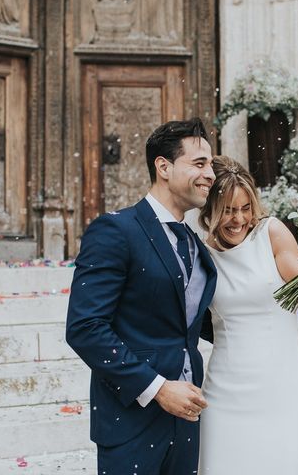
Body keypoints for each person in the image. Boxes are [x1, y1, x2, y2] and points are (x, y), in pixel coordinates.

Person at [66, 118, 218, 474]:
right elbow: (85, 327)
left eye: (210, 164)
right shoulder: (116, 230)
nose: (211, 174)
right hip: (131, 420)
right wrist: (158, 388)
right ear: (163, 167)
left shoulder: (197, 246)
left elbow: (196, 322)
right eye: (200, 163)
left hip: (187, 419)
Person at [197, 156, 298, 474]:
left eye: (245, 208)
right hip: (225, 391)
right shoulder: (202, 254)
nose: (239, 219)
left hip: (282, 385)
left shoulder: (270, 234)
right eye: (229, 210)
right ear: (211, 210)